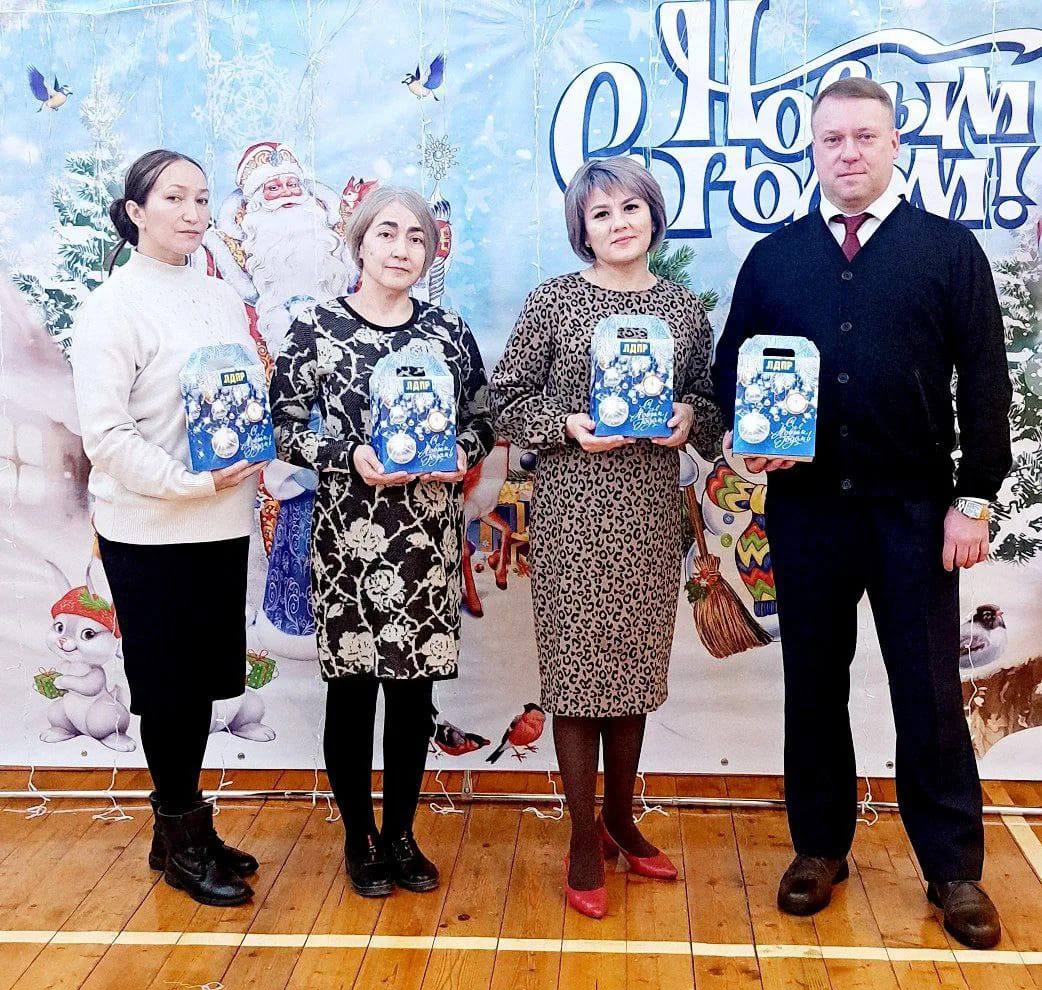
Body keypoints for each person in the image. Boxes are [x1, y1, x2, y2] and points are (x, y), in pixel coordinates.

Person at [712, 78, 1013, 950]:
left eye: (865, 137)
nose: (848, 152)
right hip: (806, 512)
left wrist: (973, 499)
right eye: (832, 139)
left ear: (893, 144)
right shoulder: (775, 259)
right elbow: (733, 369)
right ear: (813, 149)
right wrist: (747, 439)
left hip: (916, 513)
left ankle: (953, 870)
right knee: (813, 685)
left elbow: (985, 382)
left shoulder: (947, 251)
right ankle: (818, 849)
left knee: (929, 692)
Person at [490, 156, 725, 919]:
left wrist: (689, 417)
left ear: (654, 214)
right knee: (577, 680)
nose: (619, 223)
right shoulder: (554, 302)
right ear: (581, 230)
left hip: (649, 516)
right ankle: (584, 838)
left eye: (631, 207)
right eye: (601, 213)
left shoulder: (682, 309)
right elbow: (502, 402)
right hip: (574, 515)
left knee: (633, 676)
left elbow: (710, 405)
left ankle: (622, 819)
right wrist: (566, 424)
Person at [268, 185, 494, 898]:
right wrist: (347, 455)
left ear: (430, 251)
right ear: (359, 241)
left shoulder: (448, 332)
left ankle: (400, 834)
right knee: (352, 693)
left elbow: (482, 417)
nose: (402, 249)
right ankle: (358, 837)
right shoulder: (316, 328)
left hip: (426, 541)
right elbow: (281, 427)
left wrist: (461, 452)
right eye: (387, 234)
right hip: (347, 540)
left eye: (417, 237)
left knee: (412, 696)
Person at [71, 149, 268, 907]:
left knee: (205, 684)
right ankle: (182, 838)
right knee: (170, 690)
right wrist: (189, 482)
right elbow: (106, 436)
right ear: (135, 212)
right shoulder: (111, 308)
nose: (193, 213)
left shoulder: (219, 296)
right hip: (151, 527)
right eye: (174, 198)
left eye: (202, 199)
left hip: (220, 519)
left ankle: (181, 830)